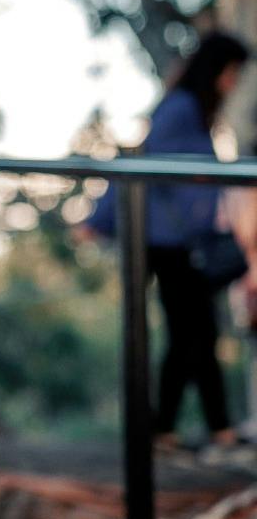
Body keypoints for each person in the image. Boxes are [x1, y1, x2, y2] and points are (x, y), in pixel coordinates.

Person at [87, 31, 251, 450]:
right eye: (231, 72)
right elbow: (139, 165)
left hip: (180, 240)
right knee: (196, 334)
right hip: (169, 242)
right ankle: (209, 428)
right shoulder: (181, 109)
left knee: (190, 336)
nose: (233, 82)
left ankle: (174, 428)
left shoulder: (193, 111)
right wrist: (101, 218)